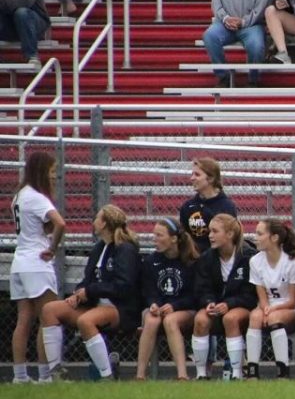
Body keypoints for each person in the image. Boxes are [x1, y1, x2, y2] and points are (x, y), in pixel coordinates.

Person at [40, 204, 142, 381]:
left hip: (122, 309)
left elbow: (124, 287)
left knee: (85, 321)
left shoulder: (125, 249)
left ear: (104, 224)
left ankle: (106, 376)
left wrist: (90, 290)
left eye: (97, 218)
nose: (93, 221)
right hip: (95, 304)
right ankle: (55, 372)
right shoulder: (99, 248)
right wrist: (77, 294)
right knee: (50, 309)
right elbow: (88, 280)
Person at [9, 151, 65, 384]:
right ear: (42, 171)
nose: (55, 177)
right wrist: (53, 247)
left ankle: (20, 376)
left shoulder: (19, 196)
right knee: (48, 317)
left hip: (19, 262)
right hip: (37, 263)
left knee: (24, 320)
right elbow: (61, 223)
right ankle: (46, 375)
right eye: (52, 172)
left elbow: (35, 227)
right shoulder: (37, 197)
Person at [191, 213, 258, 380]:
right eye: (210, 231)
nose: (210, 235)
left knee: (231, 319)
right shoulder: (207, 257)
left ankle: (236, 374)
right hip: (217, 306)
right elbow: (201, 288)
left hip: (241, 306)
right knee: (200, 320)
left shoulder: (248, 256)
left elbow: (251, 294)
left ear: (229, 234)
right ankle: (201, 374)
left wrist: (229, 304)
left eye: (215, 231)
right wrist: (209, 302)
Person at [135, 217, 199, 381]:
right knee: (151, 321)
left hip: (184, 309)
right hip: (158, 308)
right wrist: (153, 304)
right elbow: (147, 291)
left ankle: (182, 375)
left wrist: (175, 305)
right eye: (154, 235)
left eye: (159, 235)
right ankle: (140, 375)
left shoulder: (191, 262)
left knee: (170, 320)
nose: (154, 239)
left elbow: (195, 295)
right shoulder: (151, 261)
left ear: (174, 238)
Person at [245, 218, 295, 379]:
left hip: (289, 309)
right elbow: (262, 297)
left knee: (274, 318)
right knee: (255, 316)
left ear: (274, 238)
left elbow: (292, 301)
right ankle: (252, 372)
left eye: (260, 233)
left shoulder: (292, 262)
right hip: (268, 306)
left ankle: (282, 372)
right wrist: (265, 308)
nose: (255, 237)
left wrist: (272, 310)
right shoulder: (255, 261)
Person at [179, 157, 238, 254]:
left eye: (197, 174)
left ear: (210, 178)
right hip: (192, 260)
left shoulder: (226, 206)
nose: (192, 178)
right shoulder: (188, 206)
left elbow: (229, 240)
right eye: (192, 174)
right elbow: (183, 237)